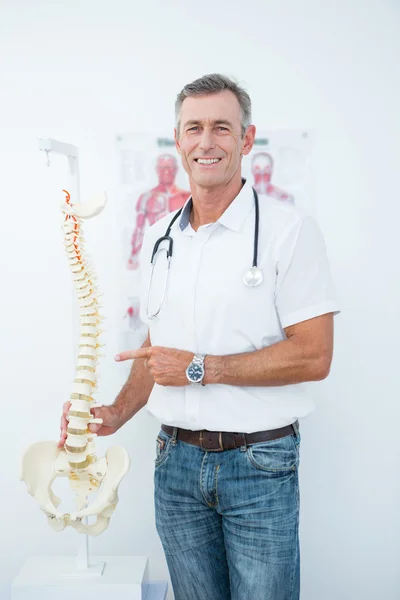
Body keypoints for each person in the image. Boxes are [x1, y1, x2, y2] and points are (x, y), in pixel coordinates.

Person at [59, 73, 340, 600]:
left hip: (259, 465)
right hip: (176, 465)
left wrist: (201, 368)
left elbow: (314, 355)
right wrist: (116, 412)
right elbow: (155, 345)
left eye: (221, 128)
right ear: (179, 139)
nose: (206, 142)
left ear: (246, 139)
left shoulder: (288, 231)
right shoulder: (162, 237)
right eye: (194, 128)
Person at [127, 153, 190, 270]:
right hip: (155, 255)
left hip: (184, 256)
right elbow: (139, 229)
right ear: (156, 170)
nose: (166, 171)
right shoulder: (146, 198)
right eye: (162, 167)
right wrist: (133, 256)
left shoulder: (188, 197)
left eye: (170, 167)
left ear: (176, 170)